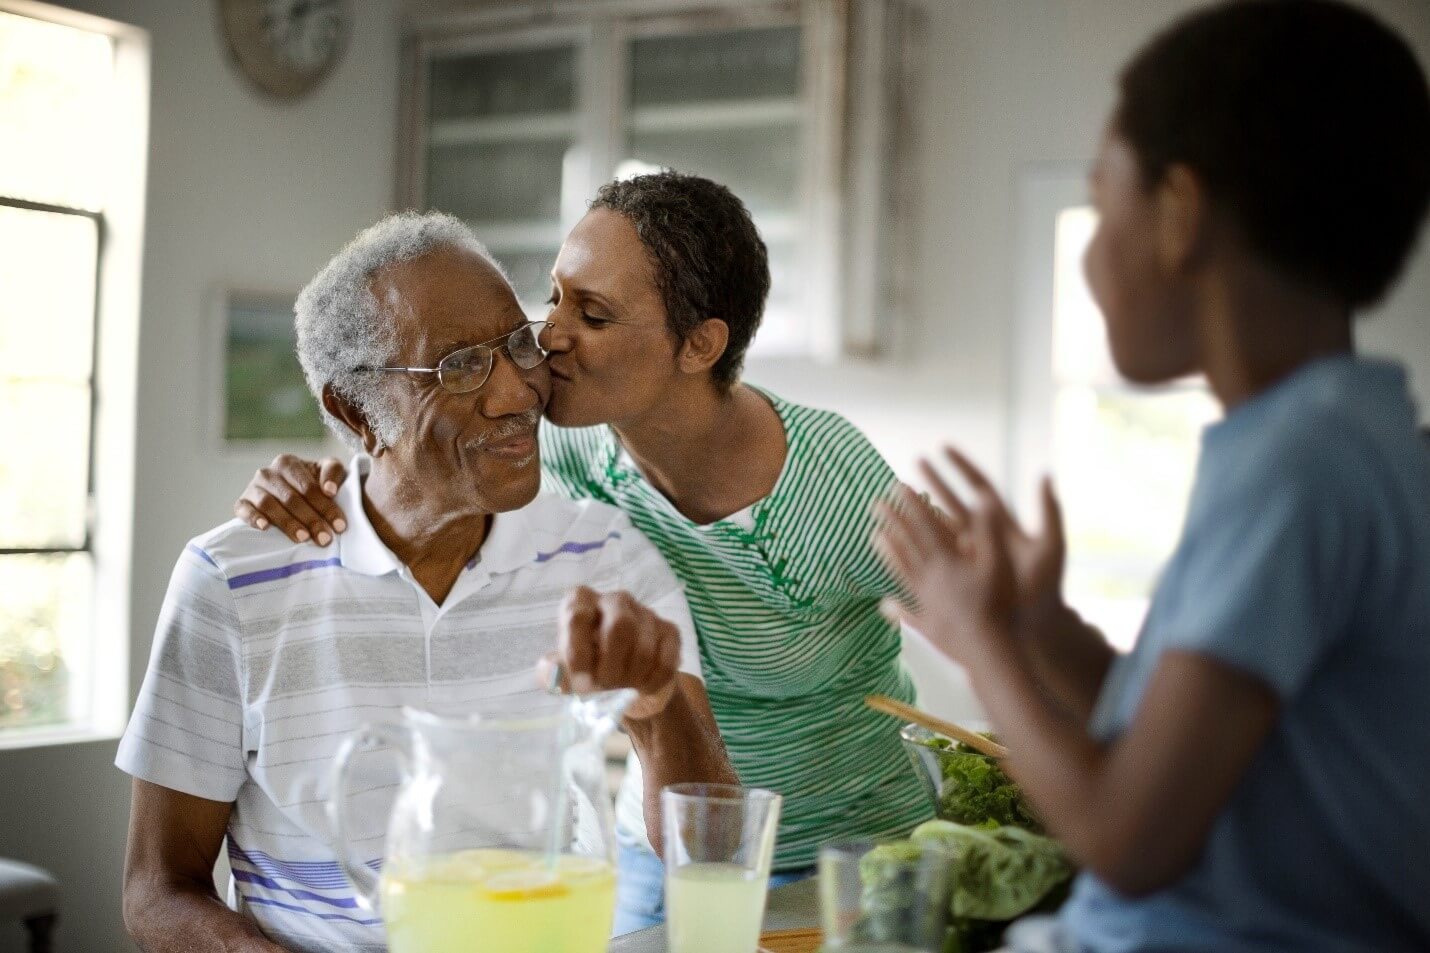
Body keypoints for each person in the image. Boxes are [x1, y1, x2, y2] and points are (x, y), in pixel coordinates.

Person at [232, 172, 936, 932]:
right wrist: (320, 476)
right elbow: (422, 455)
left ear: (699, 345)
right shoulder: (566, 455)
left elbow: (994, 631)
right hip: (657, 840)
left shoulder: (829, 492)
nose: (549, 336)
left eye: (592, 314)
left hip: (848, 852)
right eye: (556, 295)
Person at [874, 2, 1430, 951]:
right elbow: (1185, 753)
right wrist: (1040, 629)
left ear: (1180, 213)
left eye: (1102, 200)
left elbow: (1127, 837)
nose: (1091, 256)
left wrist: (982, 643)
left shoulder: (1298, 468)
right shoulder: (1350, 435)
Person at [118, 212, 734, 953]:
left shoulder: (605, 556)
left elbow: (715, 856)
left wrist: (655, 705)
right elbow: (157, 891)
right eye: (461, 367)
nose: (517, 393)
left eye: (516, 345)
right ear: (356, 411)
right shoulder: (229, 584)